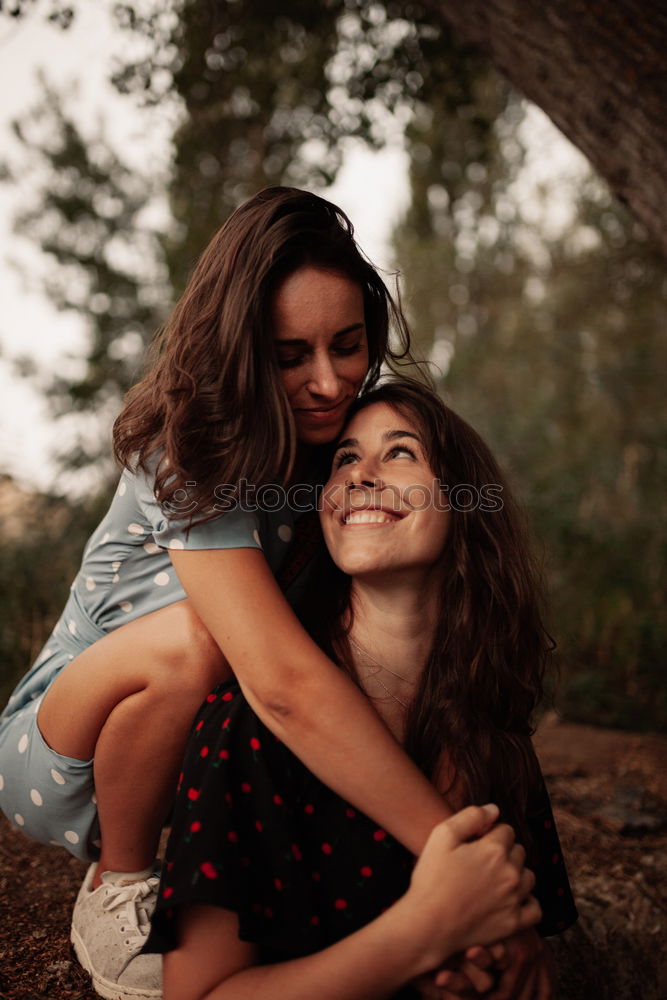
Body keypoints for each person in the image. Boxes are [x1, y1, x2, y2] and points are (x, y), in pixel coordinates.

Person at [0, 187, 476, 1000]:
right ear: (239, 349)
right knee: (207, 638)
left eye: (349, 345)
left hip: (206, 739)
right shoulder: (188, 446)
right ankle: (116, 888)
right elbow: (281, 683)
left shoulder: (333, 445)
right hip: (69, 741)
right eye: (291, 356)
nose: (329, 383)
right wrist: (454, 861)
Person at [144, 380, 577, 1000]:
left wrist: (480, 973)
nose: (359, 476)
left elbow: (531, 959)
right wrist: (419, 937)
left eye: (400, 452)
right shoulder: (246, 722)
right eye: (344, 458)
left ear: (464, 502)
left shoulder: (495, 734)